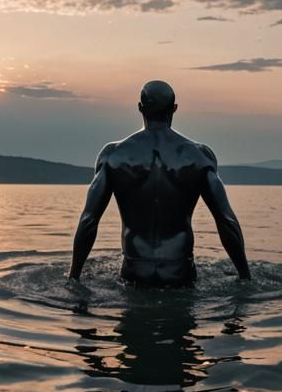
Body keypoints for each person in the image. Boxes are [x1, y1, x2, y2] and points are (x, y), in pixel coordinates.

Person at [69, 80, 251, 287]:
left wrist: (73, 278)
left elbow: (89, 220)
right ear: (174, 109)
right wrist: (245, 277)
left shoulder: (114, 155)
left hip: (134, 271)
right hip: (180, 272)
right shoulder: (199, 156)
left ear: (140, 108)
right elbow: (226, 220)